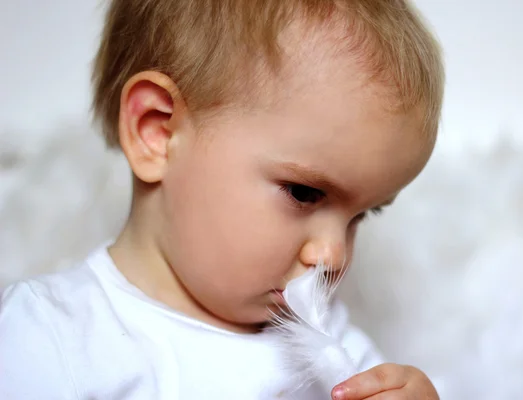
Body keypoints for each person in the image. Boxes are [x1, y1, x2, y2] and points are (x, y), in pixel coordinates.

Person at [0, 0, 445, 398]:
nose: (333, 254)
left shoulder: (337, 346)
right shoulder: (48, 338)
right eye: (304, 193)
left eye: (361, 215)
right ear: (157, 133)